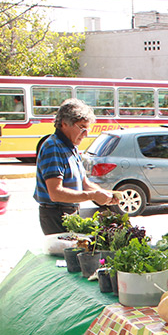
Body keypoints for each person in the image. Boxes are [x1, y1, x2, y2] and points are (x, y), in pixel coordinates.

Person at [34, 98, 113, 235]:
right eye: (82, 128)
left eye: (87, 129)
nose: (86, 134)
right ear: (64, 124)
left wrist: (107, 195)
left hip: (70, 211)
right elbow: (55, 193)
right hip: (56, 214)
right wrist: (93, 195)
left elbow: (84, 183)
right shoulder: (53, 147)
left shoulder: (71, 147)